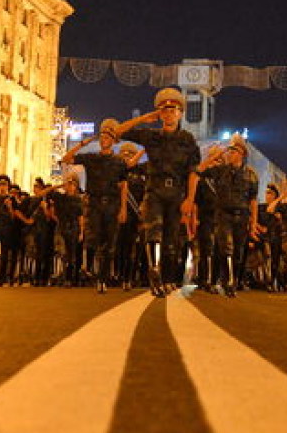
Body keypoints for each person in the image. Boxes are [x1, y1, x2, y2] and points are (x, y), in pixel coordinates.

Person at [112, 87, 201, 296]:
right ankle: (154, 270)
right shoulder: (151, 136)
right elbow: (118, 131)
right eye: (165, 110)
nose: (169, 114)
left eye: (173, 110)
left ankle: (168, 278)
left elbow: (194, 171)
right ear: (160, 114)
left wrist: (190, 198)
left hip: (176, 193)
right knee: (153, 231)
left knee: (171, 239)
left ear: (180, 114)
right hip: (154, 191)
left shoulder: (187, 140)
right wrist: (144, 118)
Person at [62, 119, 129, 294]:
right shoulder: (90, 158)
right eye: (102, 136)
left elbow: (124, 185)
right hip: (94, 204)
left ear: (114, 141)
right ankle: (93, 271)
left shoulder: (119, 162)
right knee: (96, 240)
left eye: (108, 136)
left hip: (112, 204)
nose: (104, 139)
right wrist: (83, 143)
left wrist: (123, 208)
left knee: (109, 243)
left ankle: (102, 279)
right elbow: (66, 159)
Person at [195, 134, 258, 297]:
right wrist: (215, 156)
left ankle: (231, 280)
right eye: (229, 151)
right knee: (227, 248)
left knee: (237, 252)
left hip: (242, 216)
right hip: (223, 215)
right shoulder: (220, 171)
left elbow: (253, 201)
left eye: (234, 151)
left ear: (242, 153)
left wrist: (254, 222)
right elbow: (199, 170)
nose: (230, 154)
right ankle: (229, 283)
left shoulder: (251, 175)